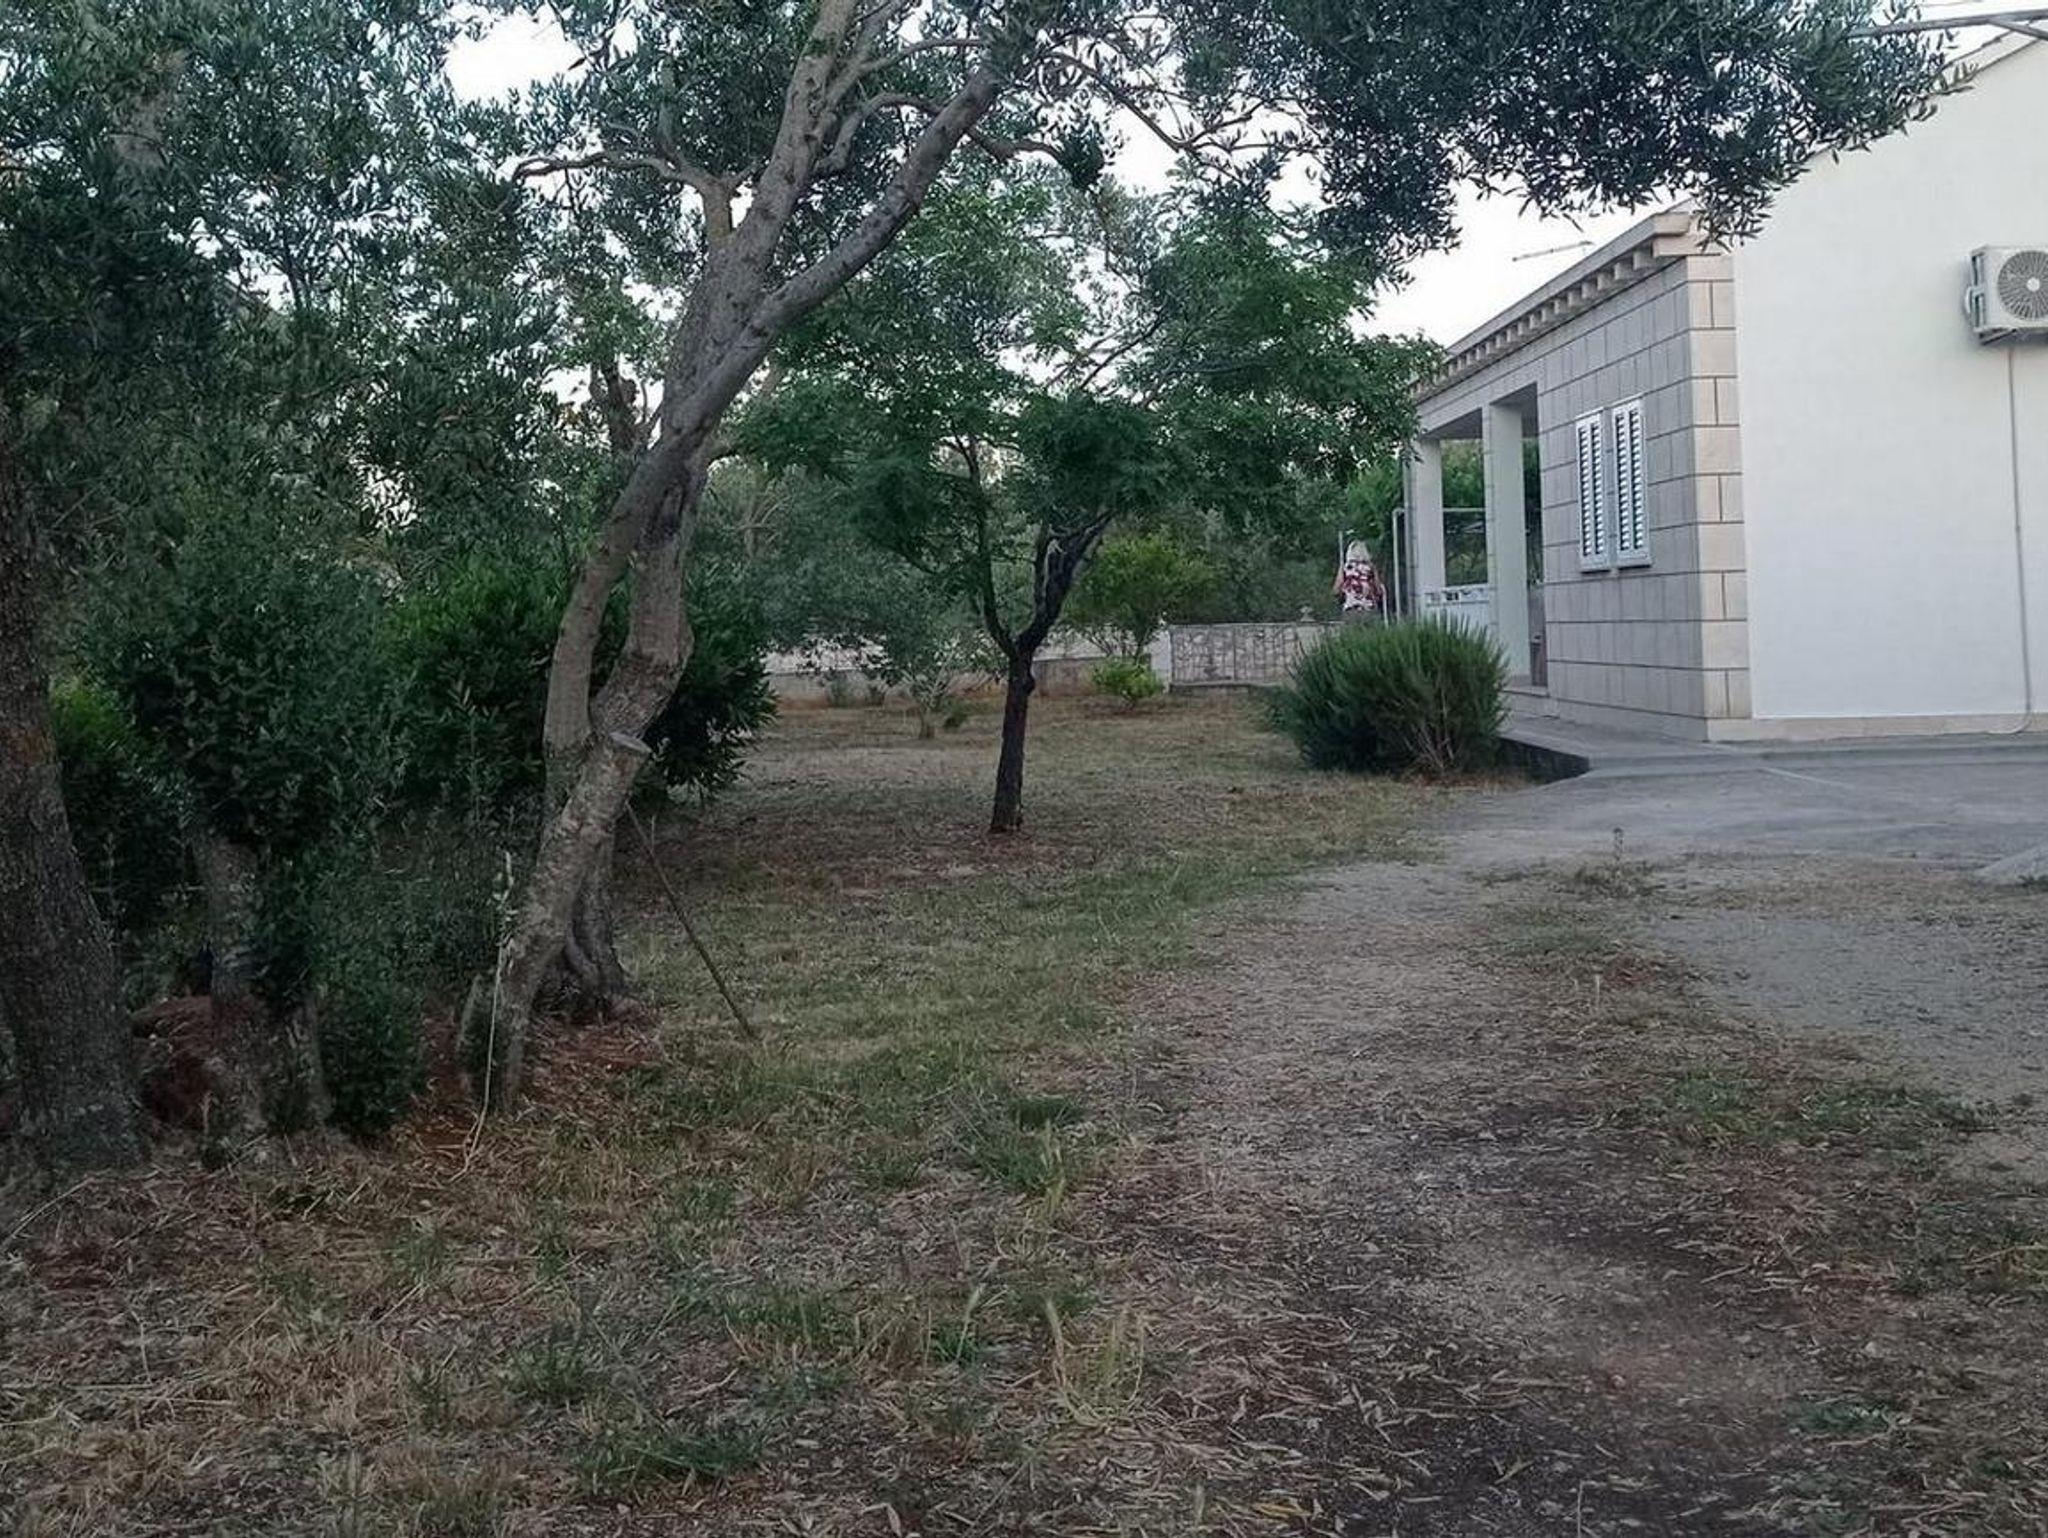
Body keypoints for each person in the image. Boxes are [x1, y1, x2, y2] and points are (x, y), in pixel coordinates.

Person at [1334, 539, 1385, 621]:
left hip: (1350, 609)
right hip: (1369, 609)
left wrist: (1343, 595)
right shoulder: (1371, 568)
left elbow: (1336, 590)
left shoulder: (1345, 568)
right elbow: (1378, 591)